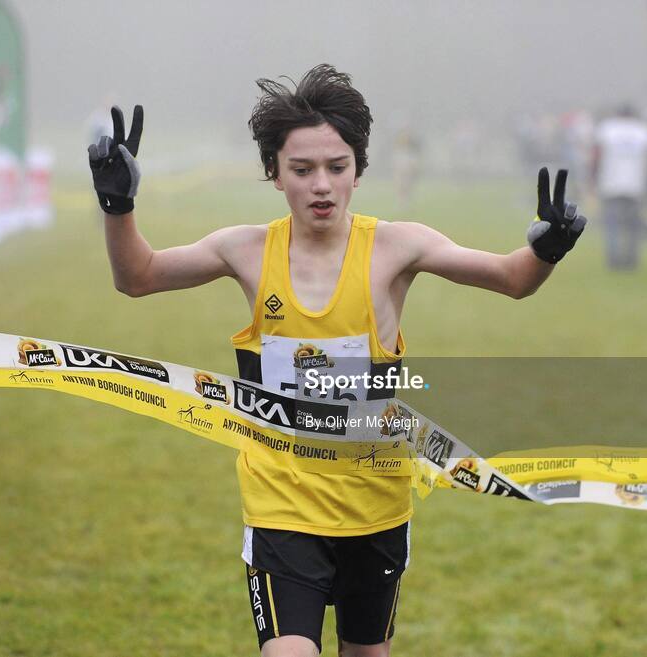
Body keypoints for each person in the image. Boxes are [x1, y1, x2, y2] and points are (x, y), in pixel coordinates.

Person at [87, 64, 586, 657]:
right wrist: (117, 204)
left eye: (336, 167)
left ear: (359, 170)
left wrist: (547, 247)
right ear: (275, 174)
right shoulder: (245, 250)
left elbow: (510, 279)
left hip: (375, 508)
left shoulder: (399, 247)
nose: (320, 185)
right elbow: (137, 277)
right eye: (301, 170)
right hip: (282, 504)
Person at [591, 104, 647, 270]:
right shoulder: (644, 131)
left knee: (612, 224)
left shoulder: (607, 129)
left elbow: (597, 157)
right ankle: (630, 260)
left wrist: (593, 177)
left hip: (611, 182)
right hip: (636, 184)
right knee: (633, 225)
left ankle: (613, 259)